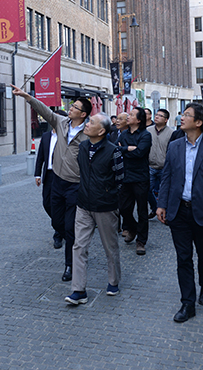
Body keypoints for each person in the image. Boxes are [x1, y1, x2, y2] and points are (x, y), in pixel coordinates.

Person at [12, 84, 91, 282]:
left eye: (75, 107)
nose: (70, 108)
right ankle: (73, 240)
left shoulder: (88, 133)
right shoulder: (61, 122)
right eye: (72, 105)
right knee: (57, 222)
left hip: (75, 185)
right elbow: (44, 110)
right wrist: (27, 97)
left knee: (70, 227)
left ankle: (70, 265)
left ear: (83, 114)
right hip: (57, 182)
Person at [157, 102, 203, 323]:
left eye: (186, 115)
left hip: (202, 212)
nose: (181, 117)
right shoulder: (175, 146)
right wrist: (161, 204)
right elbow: (167, 177)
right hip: (178, 211)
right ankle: (187, 303)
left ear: (198, 122)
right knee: (183, 257)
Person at [65, 114, 125, 305]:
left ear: (101, 131)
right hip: (83, 204)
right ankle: (78, 290)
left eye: (91, 122)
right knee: (79, 246)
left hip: (105, 206)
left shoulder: (113, 151)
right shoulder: (83, 147)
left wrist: (108, 193)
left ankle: (113, 281)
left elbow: (120, 178)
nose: (87, 124)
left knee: (110, 246)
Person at [117, 107, 153, 255]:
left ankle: (141, 241)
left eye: (131, 115)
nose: (128, 116)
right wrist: (128, 149)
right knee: (123, 208)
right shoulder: (123, 134)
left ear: (138, 120)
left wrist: (124, 150)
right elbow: (116, 150)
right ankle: (133, 228)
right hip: (125, 176)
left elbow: (139, 153)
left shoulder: (145, 135)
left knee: (142, 210)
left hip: (140, 177)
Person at [35, 124, 64, 249]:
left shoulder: (66, 136)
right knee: (47, 203)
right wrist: (37, 174)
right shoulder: (46, 136)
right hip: (49, 174)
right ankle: (61, 224)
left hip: (62, 174)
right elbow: (40, 156)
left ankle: (58, 234)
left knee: (59, 203)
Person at [147, 108, 173, 219]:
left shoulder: (171, 133)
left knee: (167, 191)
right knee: (147, 189)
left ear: (166, 120)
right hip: (150, 166)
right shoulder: (148, 130)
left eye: (160, 116)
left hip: (165, 167)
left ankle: (167, 212)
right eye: (156, 115)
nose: (156, 117)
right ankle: (155, 208)